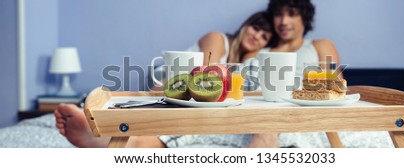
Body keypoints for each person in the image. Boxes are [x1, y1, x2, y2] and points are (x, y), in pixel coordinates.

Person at [55, 11, 278, 148]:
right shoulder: (218, 39)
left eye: (264, 38)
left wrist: (251, 59)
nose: (256, 37)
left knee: (188, 127)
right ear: (245, 26)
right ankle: (104, 129)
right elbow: (208, 76)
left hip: (197, 101)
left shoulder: (244, 64)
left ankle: (118, 143)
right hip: (173, 90)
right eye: (256, 28)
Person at [248, 0, 343, 145]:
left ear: (304, 18)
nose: (284, 21)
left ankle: (266, 140)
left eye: (292, 14)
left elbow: (335, 91)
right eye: (278, 15)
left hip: (303, 109)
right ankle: (266, 137)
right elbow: (246, 90)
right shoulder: (258, 52)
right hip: (264, 109)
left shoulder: (321, 46)